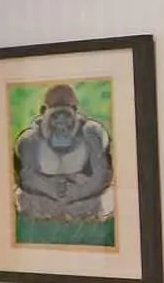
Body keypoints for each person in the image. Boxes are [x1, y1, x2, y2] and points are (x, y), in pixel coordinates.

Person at [12, 82, 113, 223]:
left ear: (75, 111)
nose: (62, 127)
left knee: (108, 198)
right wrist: (50, 189)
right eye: (55, 118)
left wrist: (75, 192)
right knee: (21, 197)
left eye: (66, 118)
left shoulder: (92, 133)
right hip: (45, 199)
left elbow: (102, 176)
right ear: (43, 112)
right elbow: (25, 178)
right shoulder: (29, 140)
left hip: (83, 198)